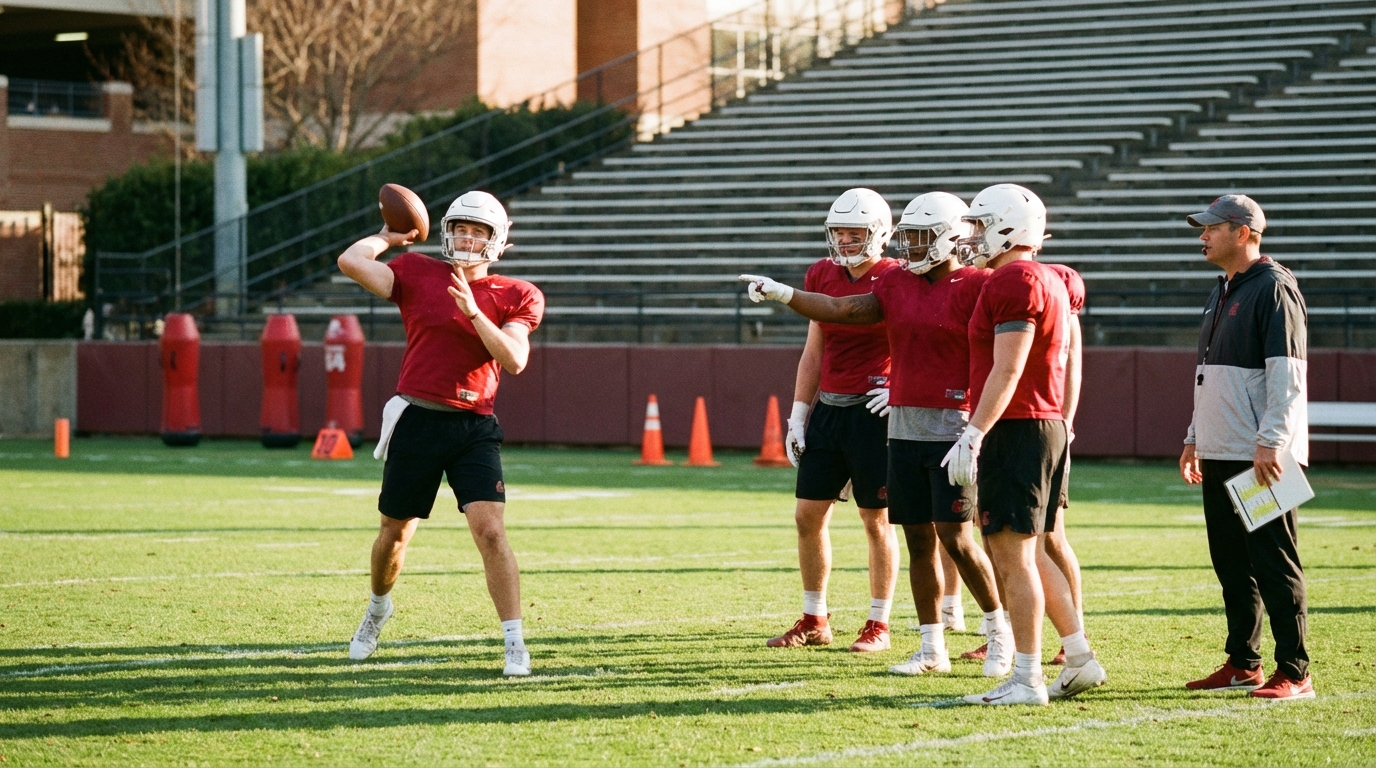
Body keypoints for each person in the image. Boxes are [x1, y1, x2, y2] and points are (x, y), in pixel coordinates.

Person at [740, 191, 1011, 675]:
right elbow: (839, 313)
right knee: (917, 538)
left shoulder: (977, 284)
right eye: (907, 237)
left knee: (954, 537)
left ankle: (997, 632)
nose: (910, 248)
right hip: (895, 422)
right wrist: (785, 297)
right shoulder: (896, 284)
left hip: (943, 423)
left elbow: (1001, 356)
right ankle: (930, 648)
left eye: (921, 237)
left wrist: (977, 427)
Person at [336, 190, 544, 677]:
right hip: (417, 417)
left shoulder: (517, 293)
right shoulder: (416, 271)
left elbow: (514, 360)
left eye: (478, 232)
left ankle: (514, 641)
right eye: (461, 229)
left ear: (497, 241)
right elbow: (351, 260)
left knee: (491, 532)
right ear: (446, 230)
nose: (467, 239)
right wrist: (387, 237)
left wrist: (474, 311)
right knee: (394, 533)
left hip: (473, 425)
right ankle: (377, 608)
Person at [945, 183, 1105, 706]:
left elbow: (1008, 365)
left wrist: (975, 431)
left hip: (1018, 426)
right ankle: (1078, 657)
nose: (972, 238)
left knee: (1010, 555)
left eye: (979, 225)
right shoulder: (1046, 277)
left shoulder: (1014, 279)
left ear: (1007, 227)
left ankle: (1027, 677)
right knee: (1031, 553)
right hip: (1043, 423)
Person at [1178, 194, 1313, 700]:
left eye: (1211, 228)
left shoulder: (1274, 287)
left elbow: (1288, 375)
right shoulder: (1223, 289)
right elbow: (1207, 376)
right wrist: (1195, 438)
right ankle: (1243, 662)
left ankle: (1296, 671)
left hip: (1260, 457)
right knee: (1231, 562)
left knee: (1274, 562)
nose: (1202, 235)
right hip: (1221, 450)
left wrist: (1272, 443)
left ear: (1243, 231)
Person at [757, 188, 901, 653]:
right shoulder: (822, 272)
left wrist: (900, 384)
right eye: (838, 230)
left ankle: (879, 623)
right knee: (807, 515)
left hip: (875, 411)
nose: (844, 239)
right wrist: (799, 413)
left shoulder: (895, 277)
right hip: (831, 409)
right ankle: (815, 618)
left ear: (879, 233)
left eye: (853, 232)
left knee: (875, 519)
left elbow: (917, 340)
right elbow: (814, 348)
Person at [1041, 262, 1087, 665]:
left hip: (1043, 427)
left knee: (1051, 534)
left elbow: (1070, 366)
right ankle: (1006, 627)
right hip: (1004, 429)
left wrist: (1065, 424)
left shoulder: (1054, 281)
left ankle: (1076, 631)